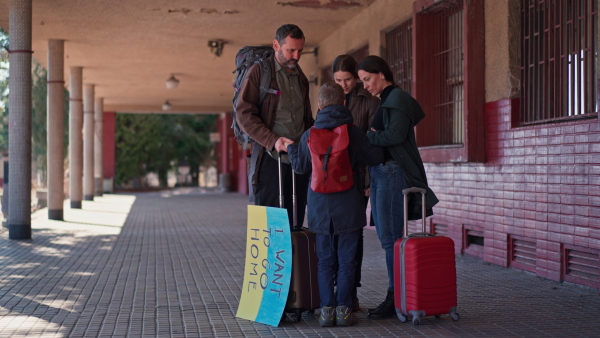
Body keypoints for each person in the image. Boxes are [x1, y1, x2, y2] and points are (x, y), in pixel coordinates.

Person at [286, 82, 384, 327]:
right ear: (344, 103)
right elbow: (375, 158)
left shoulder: (309, 134)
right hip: (349, 204)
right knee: (348, 260)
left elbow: (300, 167)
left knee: (325, 261)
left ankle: (326, 311)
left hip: (320, 206)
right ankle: (343, 310)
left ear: (319, 105)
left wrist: (290, 147)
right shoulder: (353, 132)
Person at [357, 55, 439, 319]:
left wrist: (369, 136)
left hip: (393, 174)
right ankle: (397, 294)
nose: (365, 85)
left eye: (367, 79)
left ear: (381, 73)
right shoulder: (386, 101)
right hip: (382, 174)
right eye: (362, 81)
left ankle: (396, 297)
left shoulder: (398, 99)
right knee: (387, 238)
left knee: (391, 239)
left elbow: (395, 135)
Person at [236, 24, 314, 227]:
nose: (296, 56)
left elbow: (306, 117)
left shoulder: (300, 77)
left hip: (297, 160)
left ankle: (292, 260)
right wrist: (273, 140)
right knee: (269, 226)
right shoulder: (259, 72)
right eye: (291, 50)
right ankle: (271, 260)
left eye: (300, 51)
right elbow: (244, 114)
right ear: (276, 45)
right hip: (270, 159)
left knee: (294, 223)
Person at [331, 54, 380, 311]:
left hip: (358, 178)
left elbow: (372, 143)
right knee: (333, 234)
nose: (343, 85)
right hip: (332, 178)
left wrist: (370, 178)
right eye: (338, 80)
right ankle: (337, 289)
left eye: (348, 79)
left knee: (354, 235)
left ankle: (350, 291)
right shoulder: (329, 98)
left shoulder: (368, 100)